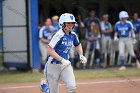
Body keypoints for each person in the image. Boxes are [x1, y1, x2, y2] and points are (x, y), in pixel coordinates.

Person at [44, 13, 87, 93]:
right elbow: (50, 50)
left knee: (72, 87)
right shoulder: (58, 35)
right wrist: (62, 60)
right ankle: (45, 88)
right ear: (62, 24)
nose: (71, 25)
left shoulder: (73, 35)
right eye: (68, 23)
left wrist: (81, 55)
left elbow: (78, 44)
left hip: (65, 65)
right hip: (53, 65)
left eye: (72, 23)